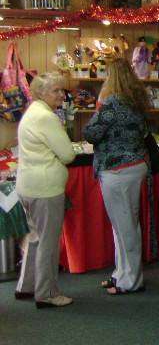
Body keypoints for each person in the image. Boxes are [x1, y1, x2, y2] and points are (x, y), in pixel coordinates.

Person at [84, 58, 150, 295]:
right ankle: (121, 273)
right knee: (124, 225)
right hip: (135, 165)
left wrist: (99, 106)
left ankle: (130, 281)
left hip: (116, 169)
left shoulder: (112, 103)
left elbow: (91, 133)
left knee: (125, 227)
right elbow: (144, 131)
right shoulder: (136, 100)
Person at [14, 73, 76, 309]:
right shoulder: (47, 117)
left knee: (35, 238)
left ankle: (27, 286)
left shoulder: (32, 112)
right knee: (48, 243)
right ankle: (47, 293)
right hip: (45, 189)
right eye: (56, 90)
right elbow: (68, 154)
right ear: (41, 93)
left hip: (28, 186)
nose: (61, 95)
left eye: (62, 90)